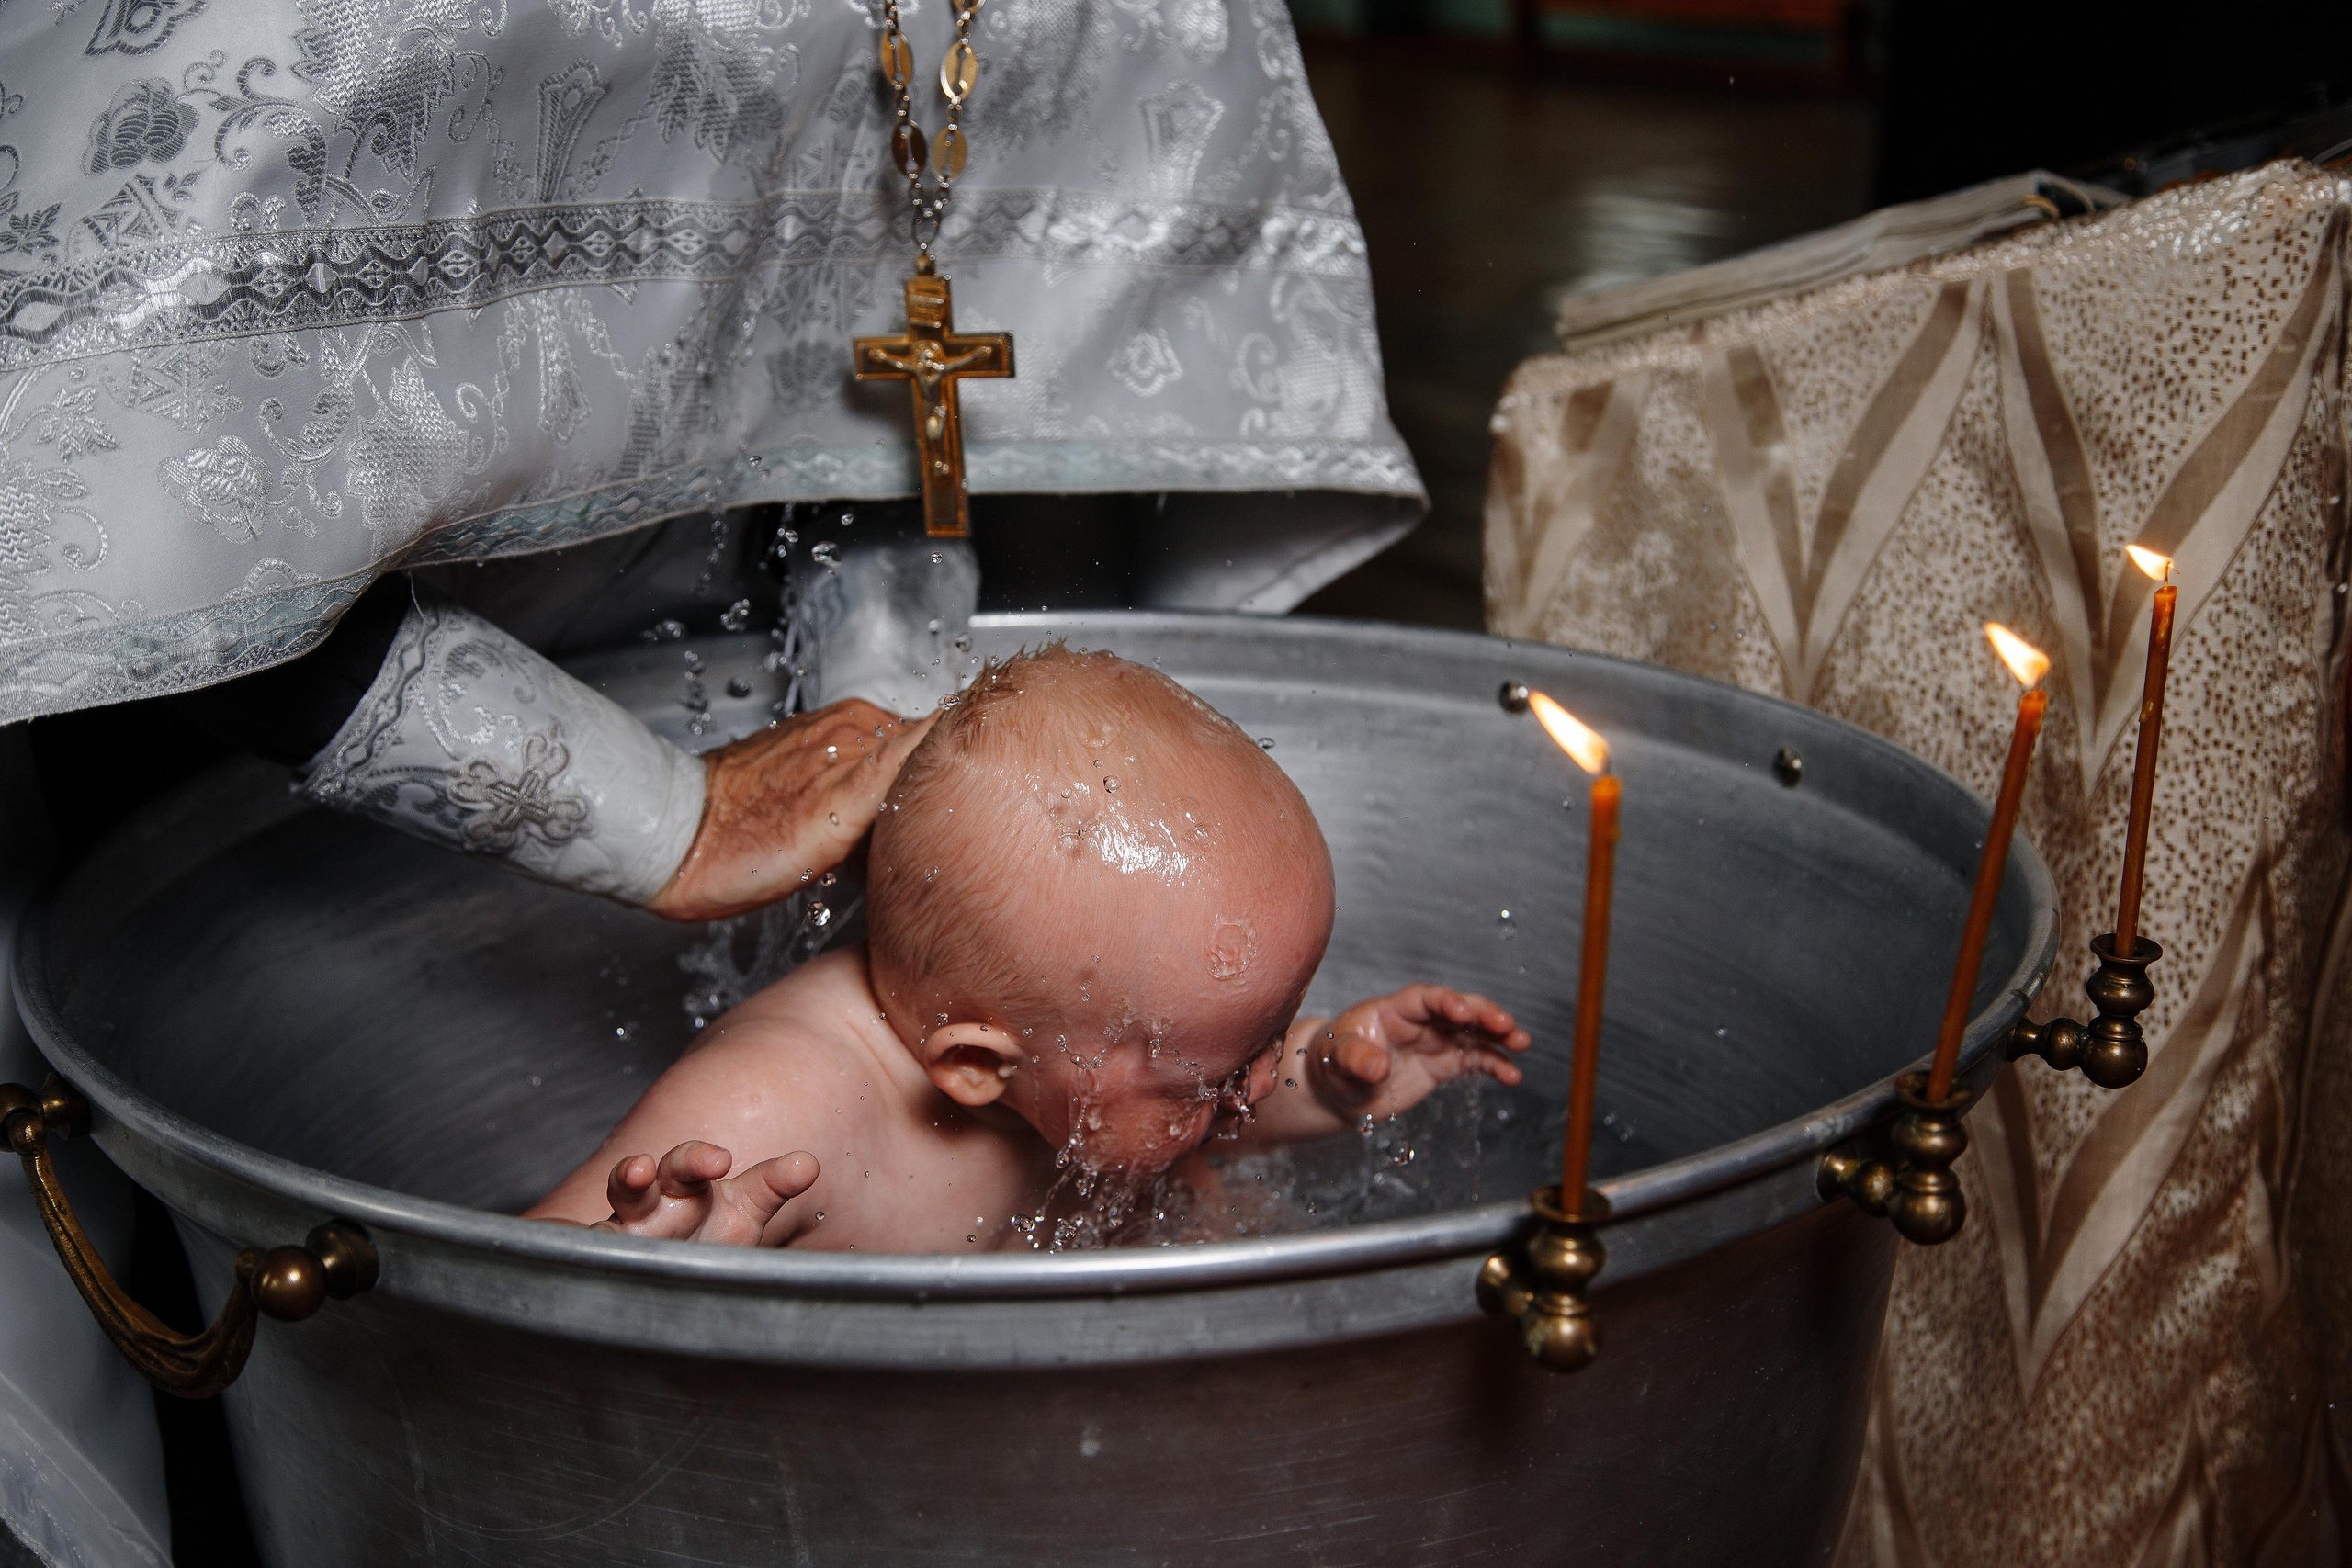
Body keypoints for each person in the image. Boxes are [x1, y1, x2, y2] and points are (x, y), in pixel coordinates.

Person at [526, 645, 1527, 1250]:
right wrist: (636, 1272)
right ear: (972, 1065)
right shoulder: (780, 1110)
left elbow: (1192, 1106)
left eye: (1267, 1044)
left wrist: (1333, 1076)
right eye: (1222, 1073)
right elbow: (500, 1288)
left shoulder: (1097, 1046)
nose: (1254, 1089)